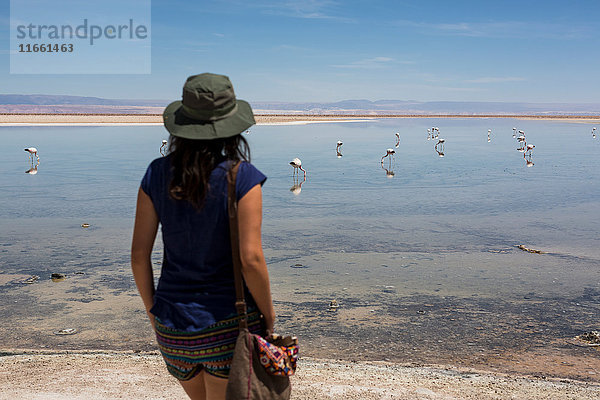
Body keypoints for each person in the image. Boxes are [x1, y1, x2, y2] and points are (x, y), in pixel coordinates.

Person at [131, 73, 276, 400]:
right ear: (233, 125)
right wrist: (269, 316)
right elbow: (251, 259)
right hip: (227, 327)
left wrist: (154, 313)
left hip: (172, 326)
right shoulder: (243, 178)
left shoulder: (156, 172)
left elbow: (139, 255)